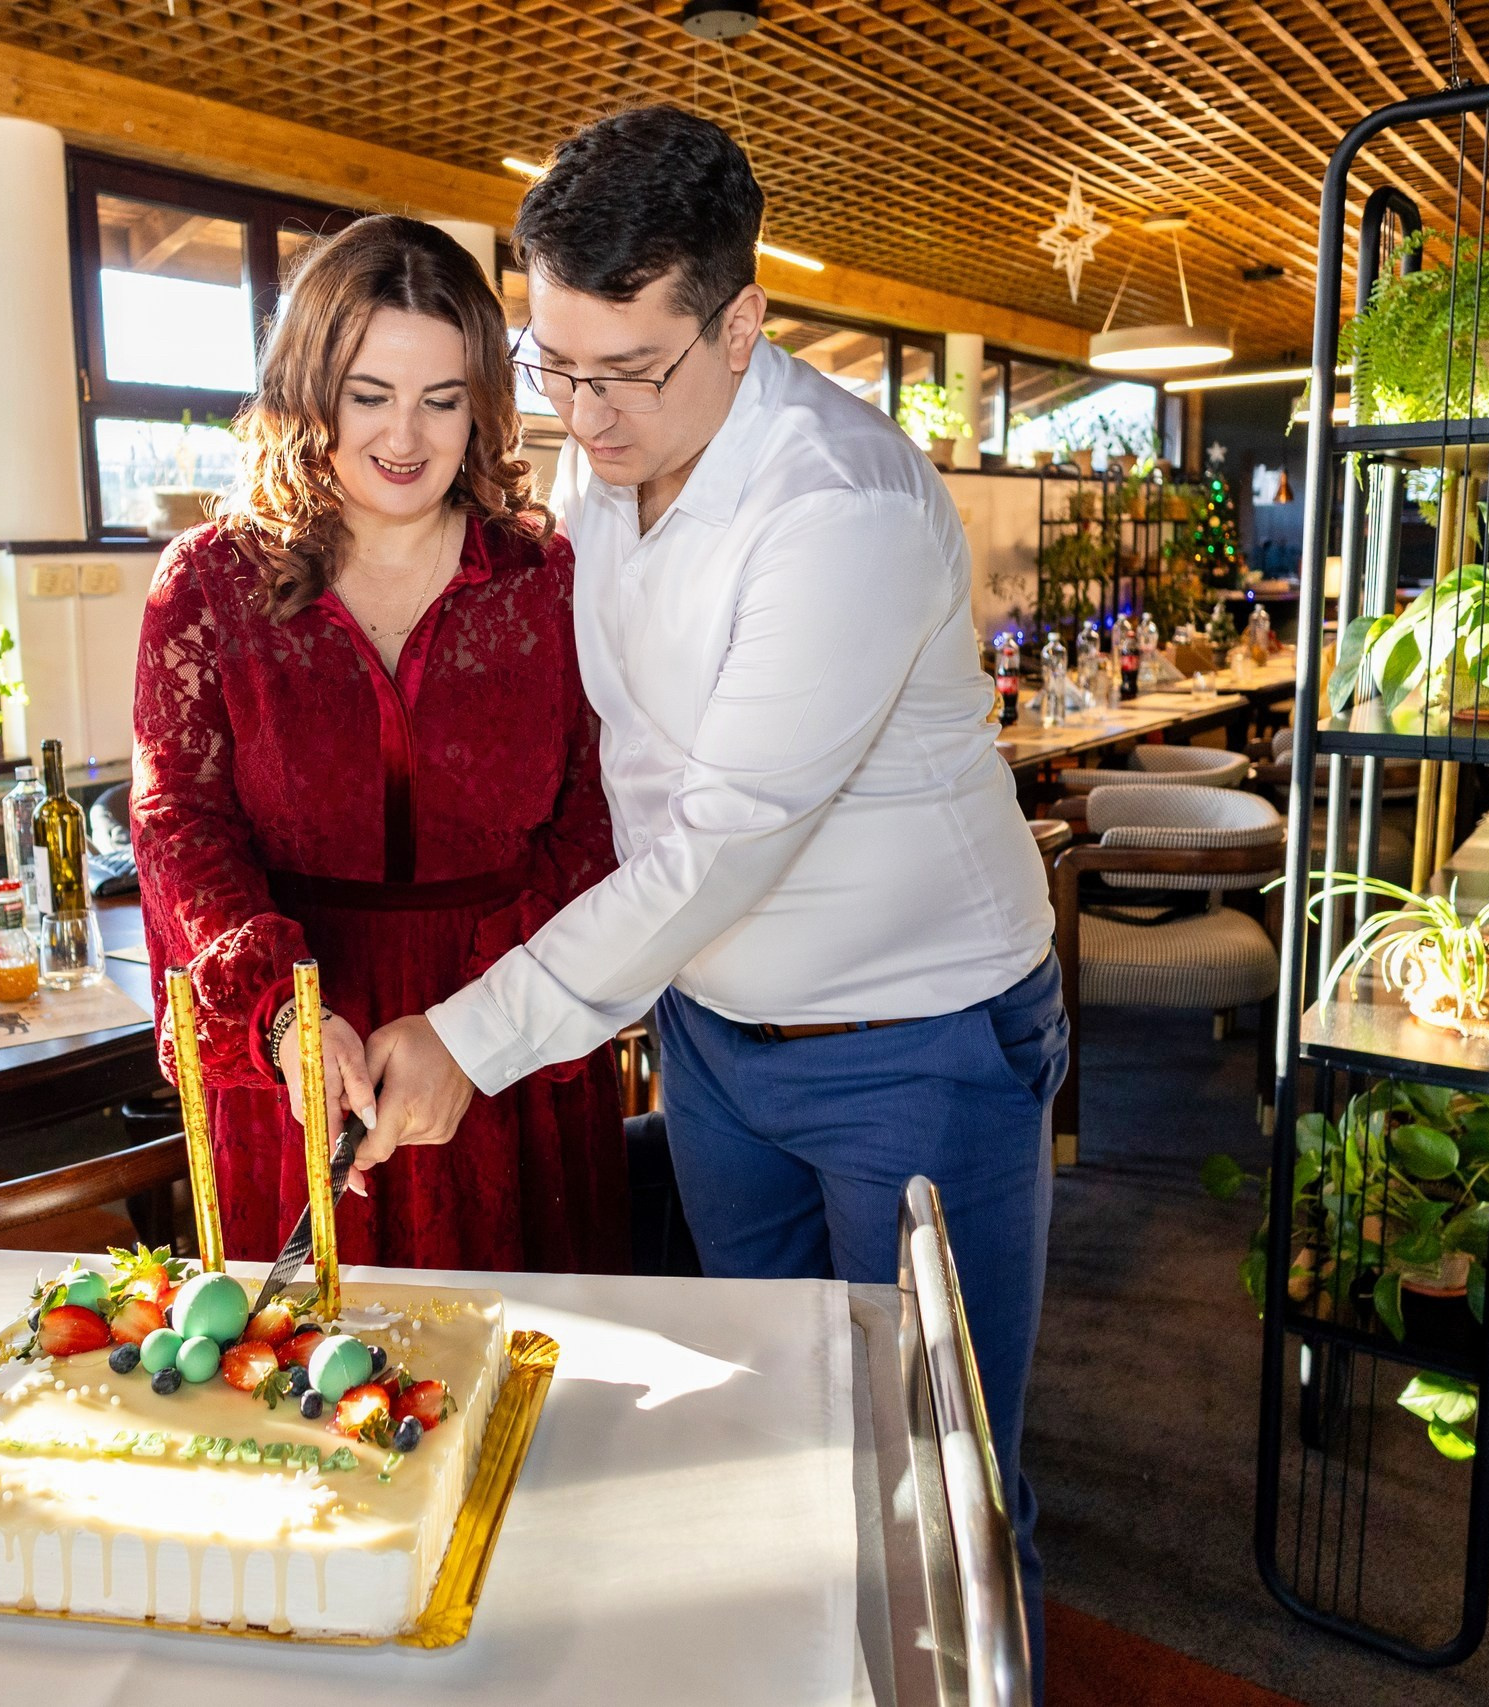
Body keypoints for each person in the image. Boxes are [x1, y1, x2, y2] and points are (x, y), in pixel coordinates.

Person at [361, 108, 1064, 1690]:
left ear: (741, 322)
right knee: (785, 1442)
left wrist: (471, 1034)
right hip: (715, 1039)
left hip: (916, 1044)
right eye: (557, 366)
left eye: (628, 371)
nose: (585, 414)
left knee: (938, 1485)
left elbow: (720, 843)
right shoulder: (609, 458)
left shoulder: (842, 507)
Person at [129, 214, 628, 1274]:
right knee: (304, 1366)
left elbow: (594, 823)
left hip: (506, 1054)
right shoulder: (208, 583)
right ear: (308, 392)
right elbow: (180, 824)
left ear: (482, 406)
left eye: (441, 400)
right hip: (305, 1062)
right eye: (369, 396)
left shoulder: (548, 583)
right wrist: (283, 1021)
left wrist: (482, 1028)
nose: (406, 437)